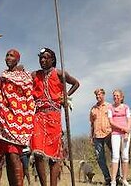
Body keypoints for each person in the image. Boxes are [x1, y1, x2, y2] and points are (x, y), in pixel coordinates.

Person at [30, 47, 80, 186]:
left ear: (52, 60)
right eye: (41, 58)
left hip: (54, 116)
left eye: (46, 57)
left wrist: (66, 96)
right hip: (38, 116)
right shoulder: (35, 75)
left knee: (54, 156)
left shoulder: (59, 73)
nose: (43, 60)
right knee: (38, 153)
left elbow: (76, 83)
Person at [0, 49, 35, 186]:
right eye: (7, 55)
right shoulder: (3, 75)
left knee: (14, 156)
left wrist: (27, 115)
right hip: (4, 119)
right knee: (7, 156)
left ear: (17, 59)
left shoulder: (25, 75)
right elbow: (2, 98)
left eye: (11, 55)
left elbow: (29, 94)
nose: (8, 57)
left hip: (19, 120)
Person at [89, 88, 115, 185]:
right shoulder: (93, 108)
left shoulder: (109, 106)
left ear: (103, 95)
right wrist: (91, 136)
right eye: (96, 95)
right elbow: (91, 123)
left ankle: (117, 177)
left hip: (109, 133)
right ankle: (107, 178)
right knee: (100, 158)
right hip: (97, 135)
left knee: (115, 156)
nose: (98, 96)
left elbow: (114, 120)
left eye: (99, 94)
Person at [107, 89, 131, 186]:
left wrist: (127, 131)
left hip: (125, 134)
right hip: (115, 134)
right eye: (114, 95)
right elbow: (111, 122)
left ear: (121, 97)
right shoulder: (110, 107)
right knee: (115, 156)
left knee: (125, 156)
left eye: (117, 95)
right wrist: (123, 128)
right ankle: (113, 180)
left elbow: (129, 120)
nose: (115, 97)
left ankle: (124, 179)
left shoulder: (126, 107)